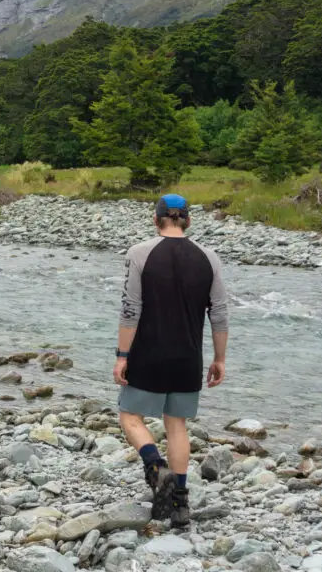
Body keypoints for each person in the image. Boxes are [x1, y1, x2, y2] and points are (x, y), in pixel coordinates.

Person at [113, 194, 229, 528]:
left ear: (156, 219)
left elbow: (130, 309)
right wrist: (219, 358)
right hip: (188, 356)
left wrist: (122, 356)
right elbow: (219, 314)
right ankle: (179, 504)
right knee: (176, 424)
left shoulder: (139, 253)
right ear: (188, 221)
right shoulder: (209, 258)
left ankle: (154, 466)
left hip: (148, 353)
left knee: (130, 416)